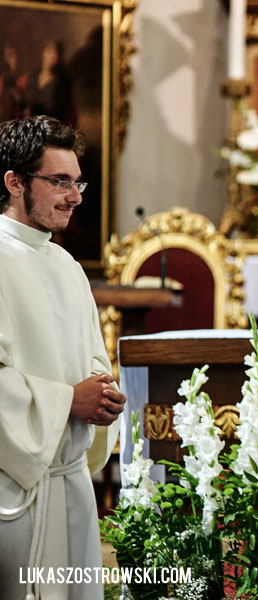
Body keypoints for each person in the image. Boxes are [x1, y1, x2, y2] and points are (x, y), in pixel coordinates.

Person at [0, 115, 124, 599]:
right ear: (14, 182)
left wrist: (103, 395)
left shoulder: (65, 264)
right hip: (18, 491)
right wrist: (68, 401)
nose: (74, 197)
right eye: (59, 182)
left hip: (70, 483)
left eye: (77, 183)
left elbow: (91, 361)